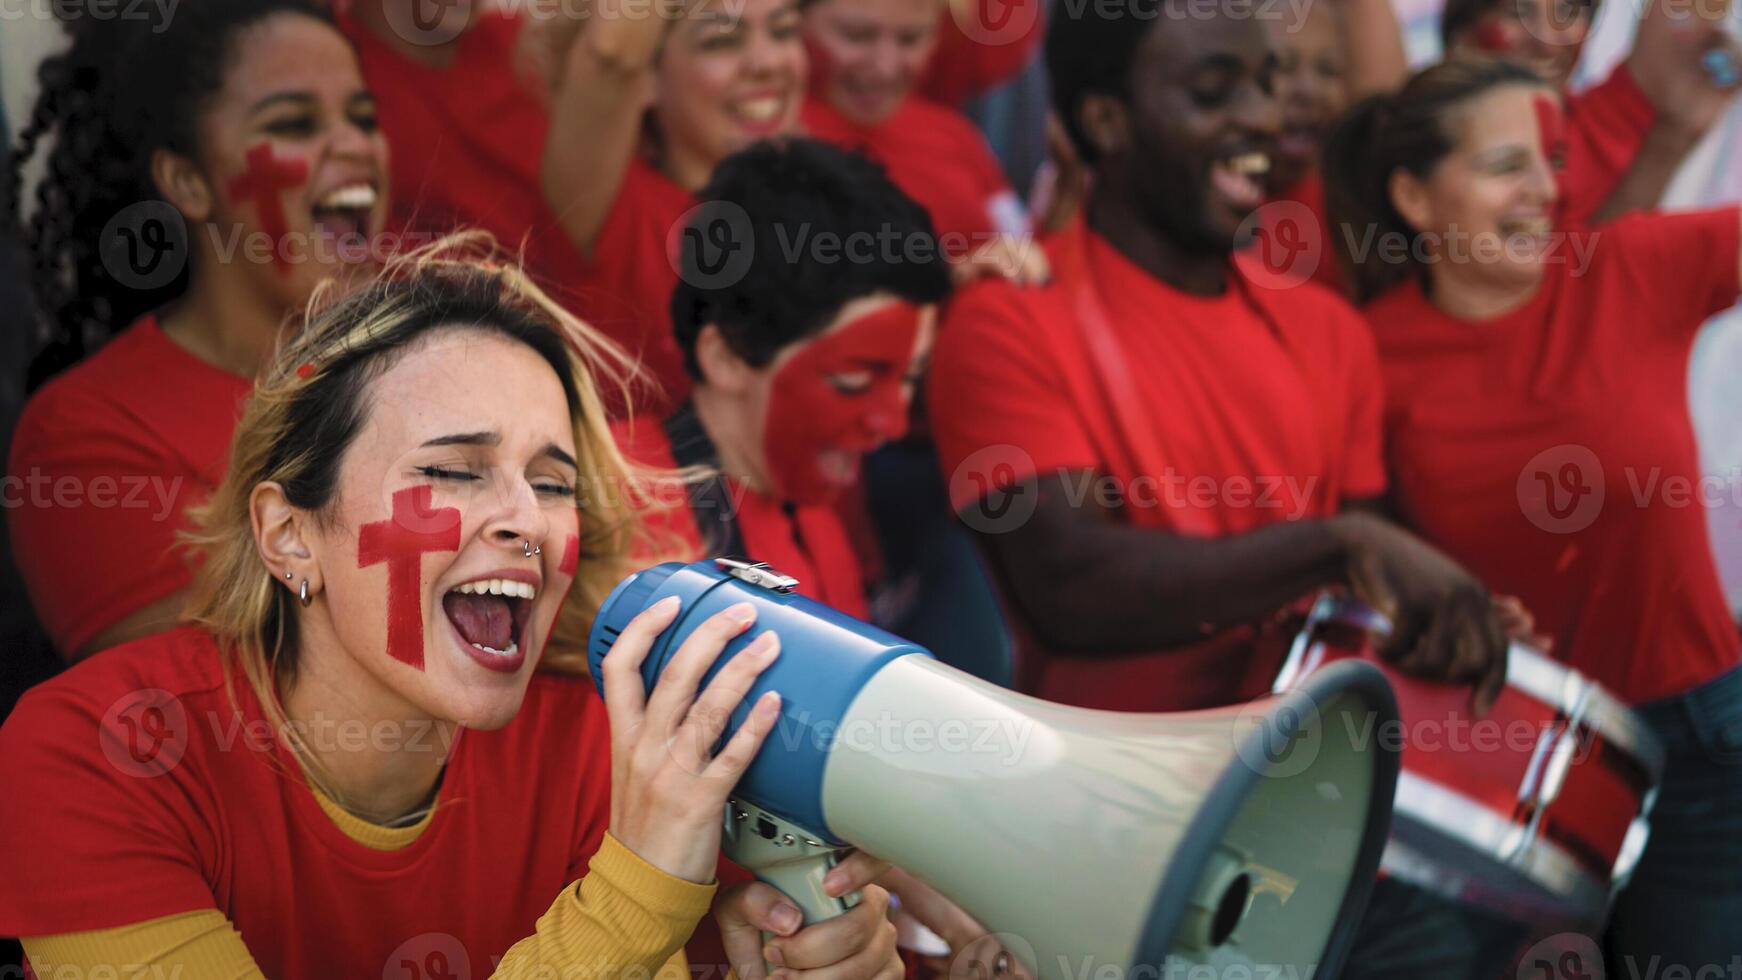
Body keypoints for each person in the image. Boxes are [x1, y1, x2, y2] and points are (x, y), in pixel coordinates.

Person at [0, 237, 901, 980]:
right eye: (451, 470)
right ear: (287, 536)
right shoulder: (100, 749)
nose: (526, 520)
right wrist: (641, 894)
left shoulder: (592, 751)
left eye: (554, 483)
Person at [926, 0, 1512, 717]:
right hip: (1097, 803)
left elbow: (1366, 593)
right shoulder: (1007, 320)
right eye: (1214, 91)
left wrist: (1446, 619)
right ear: (1107, 121)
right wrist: (1339, 545)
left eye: (1266, 83)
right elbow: (1070, 587)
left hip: (1304, 789)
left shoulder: (1329, 330)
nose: (1263, 118)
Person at [1327, 55, 1742, 969]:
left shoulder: (1631, 265)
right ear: (1414, 195)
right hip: (1489, 750)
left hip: (1703, 742)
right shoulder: (1366, 353)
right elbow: (1354, 558)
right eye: (1507, 165)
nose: (1547, 190)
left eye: (1551, 162)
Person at [6, 1, 391, 658]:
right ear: (187, 180)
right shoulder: (87, 435)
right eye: (295, 123)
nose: (355, 145)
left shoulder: (445, 350)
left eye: (363, 119)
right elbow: (245, 699)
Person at [617, 138, 950, 621]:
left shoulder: (815, 515)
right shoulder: (618, 520)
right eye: (852, 380)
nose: (892, 423)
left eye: (911, 378)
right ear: (726, 357)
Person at [799, 0, 1043, 284]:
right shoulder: (775, 148)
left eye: (911, 39)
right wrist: (950, 280)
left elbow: (1026, 252)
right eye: (856, 36)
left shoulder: (952, 134)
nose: (885, 67)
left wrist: (1061, 216)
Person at [1434, 0, 1740, 224]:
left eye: (1568, 12)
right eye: (1518, 12)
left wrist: (1672, 135)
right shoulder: (1414, 144)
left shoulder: (1605, 121)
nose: (1548, 42)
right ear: (1462, 38)